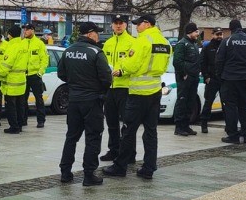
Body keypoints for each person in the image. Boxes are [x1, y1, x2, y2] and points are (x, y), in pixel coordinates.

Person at [103, 14, 171, 180]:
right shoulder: (165, 42)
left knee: (128, 130)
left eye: (138, 24)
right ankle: (149, 168)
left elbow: (132, 64)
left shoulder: (142, 40)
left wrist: (121, 67)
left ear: (147, 24)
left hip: (138, 92)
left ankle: (120, 167)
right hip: (155, 90)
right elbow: (165, 65)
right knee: (151, 131)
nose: (137, 27)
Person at [58, 21, 113, 186]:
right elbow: (106, 78)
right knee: (93, 137)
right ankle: (89, 175)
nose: (98, 36)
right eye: (97, 33)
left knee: (71, 137)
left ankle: (65, 172)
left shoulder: (68, 51)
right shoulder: (96, 52)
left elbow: (62, 74)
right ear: (90, 34)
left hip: (74, 101)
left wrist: (75, 85)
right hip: (92, 101)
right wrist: (97, 90)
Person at [214, 19, 246, 144]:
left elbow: (219, 61)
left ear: (230, 29)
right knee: (245, 107)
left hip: (230, 78)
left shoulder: (227, 41)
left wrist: (220, 76)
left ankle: (233, 135)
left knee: (230, 107)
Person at [100, 14, 135, 161]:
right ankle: (113, 150)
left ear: (126, 25)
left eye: (121, 23)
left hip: (125, 88)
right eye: (116, 23)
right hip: (110, 88)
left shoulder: (132, 42)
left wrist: (122, 72)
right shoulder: (108, 43)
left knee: (127, 123)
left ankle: (129, 154)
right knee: (111, 122)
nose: (118, 26)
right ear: (112, 25)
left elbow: (134, 64)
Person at [171, 22, 201, 136]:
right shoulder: (182, 44)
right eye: (196, 31)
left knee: (190, 101)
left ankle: (186, 125)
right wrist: (183, 73)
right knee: (182, 101)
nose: (197, 33)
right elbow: (177, 61)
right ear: (190, 32)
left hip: (194, 78)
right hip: (185, 78)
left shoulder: (193, 44)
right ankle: (179, 127)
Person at [0, 25, 28, 134]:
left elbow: (6, 65)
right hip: (21, 81)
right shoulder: (23, 46)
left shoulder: (12, 47)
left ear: (10, 35)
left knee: (11, 106)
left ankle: (14, 127)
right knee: (20, 105)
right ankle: (19, 125)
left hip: (11, 82)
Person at [21, 23, 50, 128]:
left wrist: (40, 73)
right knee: (23, 99)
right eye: (24, 30)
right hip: (24, 75)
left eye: (27, 30)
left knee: (39, 98)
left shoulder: (39, 43)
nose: (25, 31)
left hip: (35, 75)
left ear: (32, 30)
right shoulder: (22, 43)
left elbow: (45, 59)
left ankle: (41, 120)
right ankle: (23, 120)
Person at [195, 28, 224, 134]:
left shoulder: (224, 46)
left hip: (223, 79)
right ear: (212, 35)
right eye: (217, 34)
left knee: (225, 103)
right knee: (208, 103)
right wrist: (206, 76)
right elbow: (202, 63)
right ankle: (204, 124)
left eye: (221, 34)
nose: (219, 36)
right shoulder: (207, 47)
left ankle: (228, 126)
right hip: (212, 79)